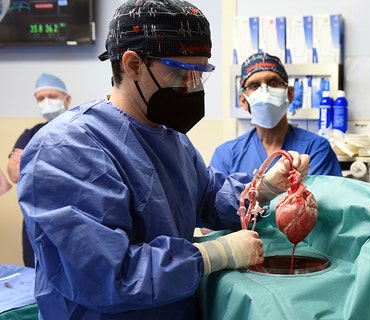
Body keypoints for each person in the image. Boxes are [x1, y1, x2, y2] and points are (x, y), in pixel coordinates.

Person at [17, 0, 309, 319]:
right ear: (133, 64)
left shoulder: (172, 139)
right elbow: (105, 276)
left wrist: (264, 188)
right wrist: (214, 254)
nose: (192, 87)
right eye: (183, 72)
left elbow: (209, 197)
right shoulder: (67, 148)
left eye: (201, 74)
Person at [210, 52, 342, 177]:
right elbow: (217, 199)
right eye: (254, 85)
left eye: (273, 83)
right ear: (243, 101)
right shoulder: (226, 155)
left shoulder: (316, 149)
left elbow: (322, 198)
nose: (265, 91)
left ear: (290, 94)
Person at [7, 72, 72, 268]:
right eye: (41, 98)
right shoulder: (31, 133)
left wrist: (30, 161)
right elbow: (15, 173)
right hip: (35, 220)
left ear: (66, 99)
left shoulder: (79, 128)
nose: (46, 102)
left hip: (71, 218)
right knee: (36, 273)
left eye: (51, 97)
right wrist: (56, 163)